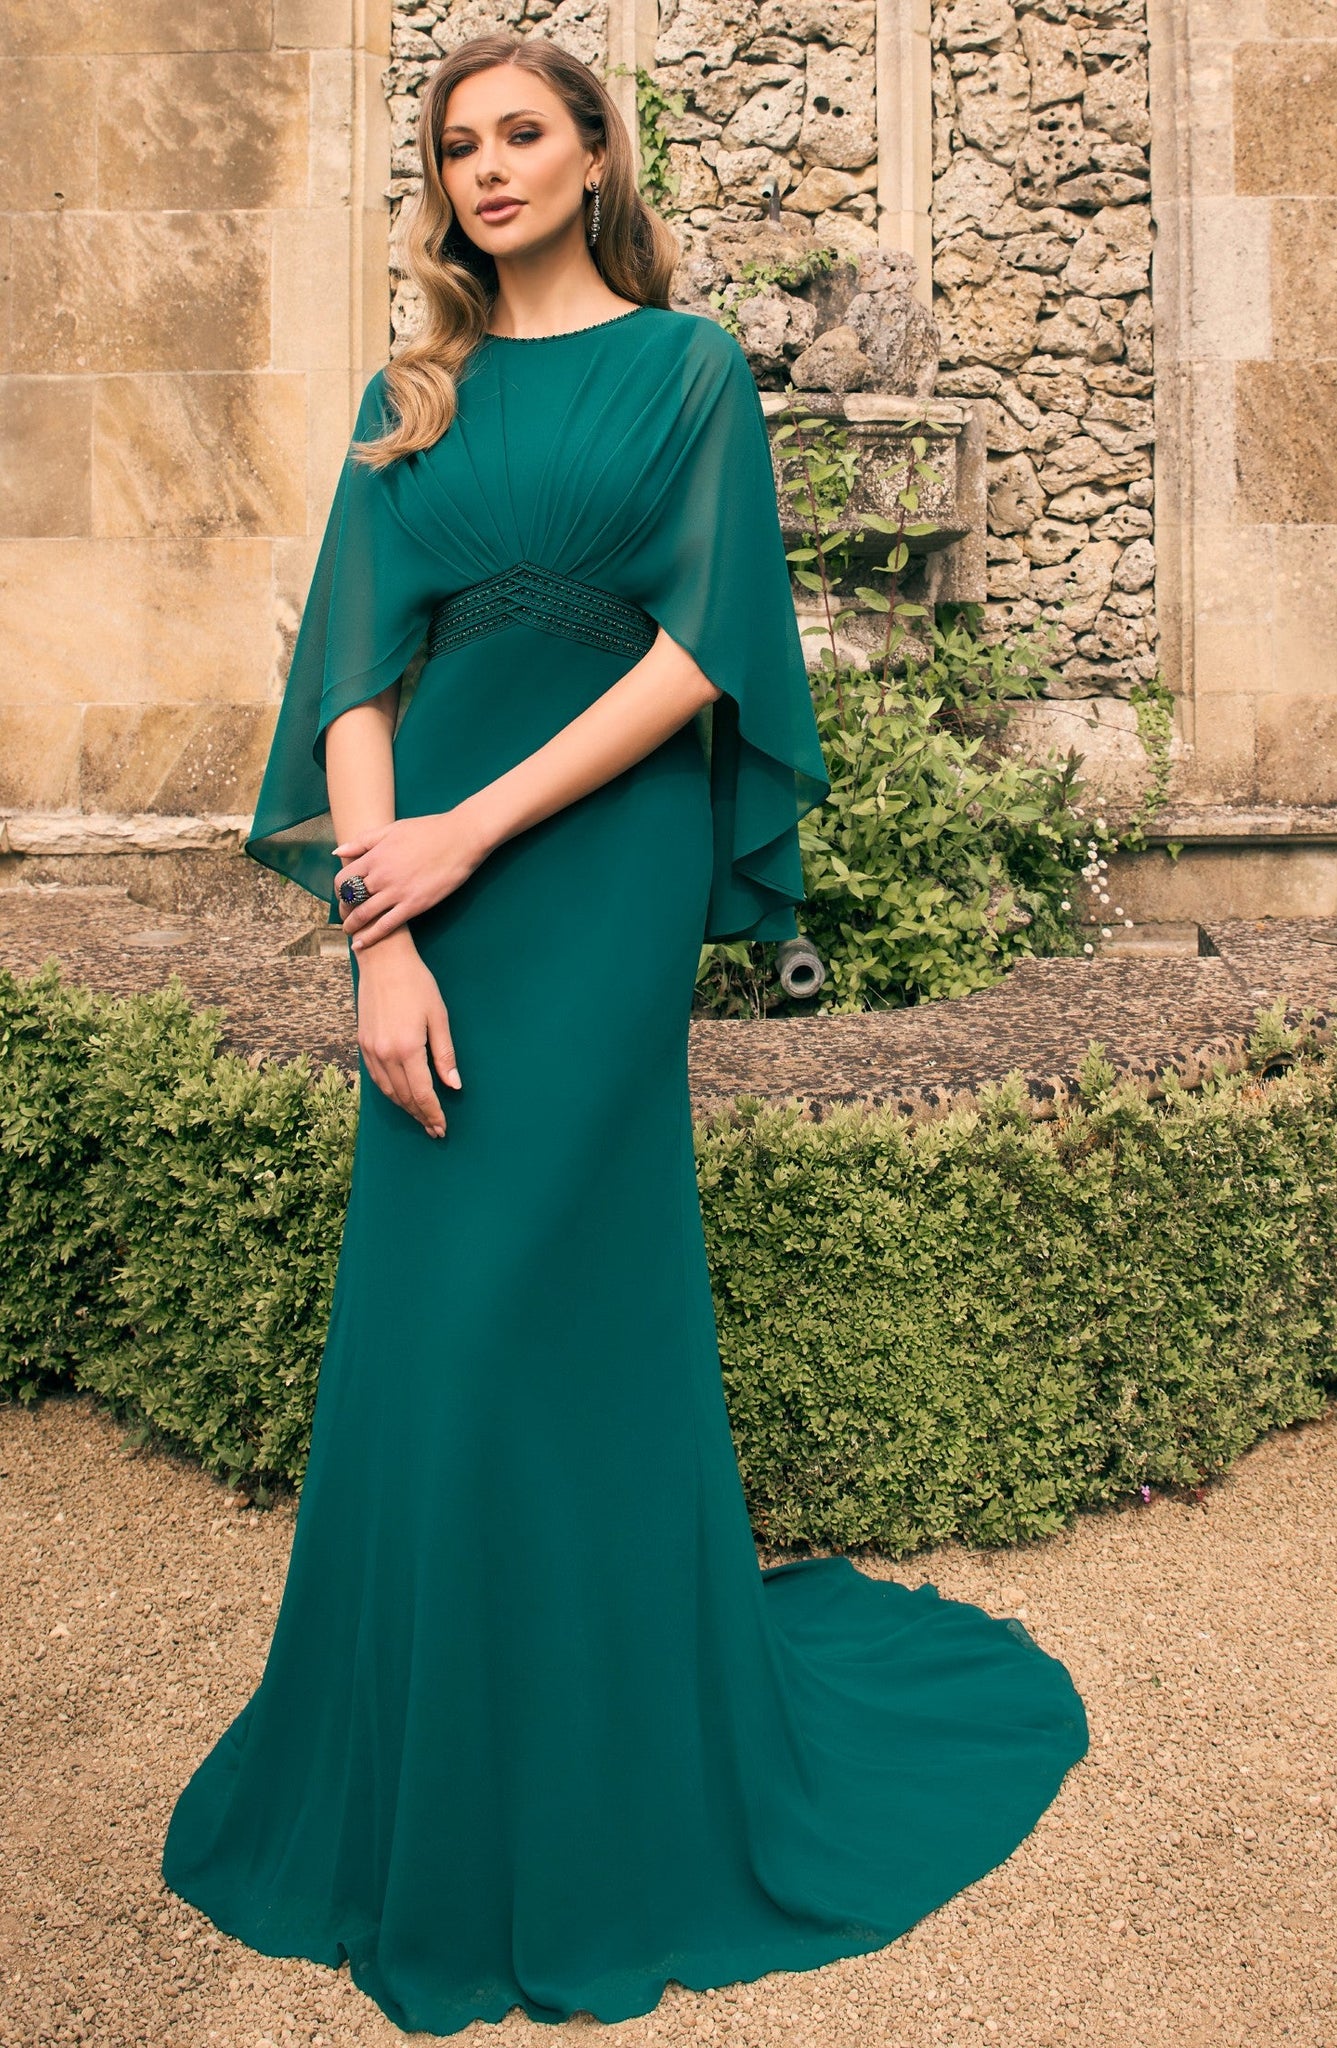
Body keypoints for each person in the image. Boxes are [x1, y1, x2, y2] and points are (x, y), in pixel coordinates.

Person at [160, 30, 1089, 2036]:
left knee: (546, 1301)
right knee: (433, 1311)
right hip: (420, 885)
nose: (485, 166)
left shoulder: (681, 374)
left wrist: (472, 834)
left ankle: (610, 1788)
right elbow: (353, 665)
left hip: (585, 868)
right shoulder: (407, 402)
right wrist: (376, 930)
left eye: (522, 133)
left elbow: (702, 650)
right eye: (455, 143)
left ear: (594, 156)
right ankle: (436, 1779)